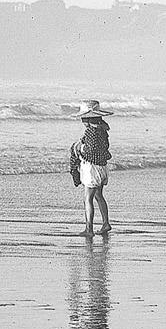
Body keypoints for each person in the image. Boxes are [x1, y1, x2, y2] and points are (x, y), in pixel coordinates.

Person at [69, 100, 112, 237]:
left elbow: (89, 151)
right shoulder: (103, 130)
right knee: (99, 195)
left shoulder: (91, 131)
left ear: (88, 118)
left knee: (88, 198)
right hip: (102, 167)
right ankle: (106, 223)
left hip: (92, 168)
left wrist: (79, 150)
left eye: (83, 118)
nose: (82, 120)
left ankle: (89, 229)